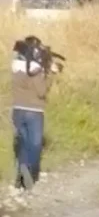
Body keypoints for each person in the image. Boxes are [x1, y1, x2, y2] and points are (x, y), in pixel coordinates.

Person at [12, 36, 62, 190]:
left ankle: (21, 176)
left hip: (18, 110)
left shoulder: (15, 67)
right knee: (35, 145)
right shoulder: (36, 70)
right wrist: (50, 75)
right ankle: (30, 173)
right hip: (34, 111)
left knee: (23, 144)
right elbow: (41, 92)